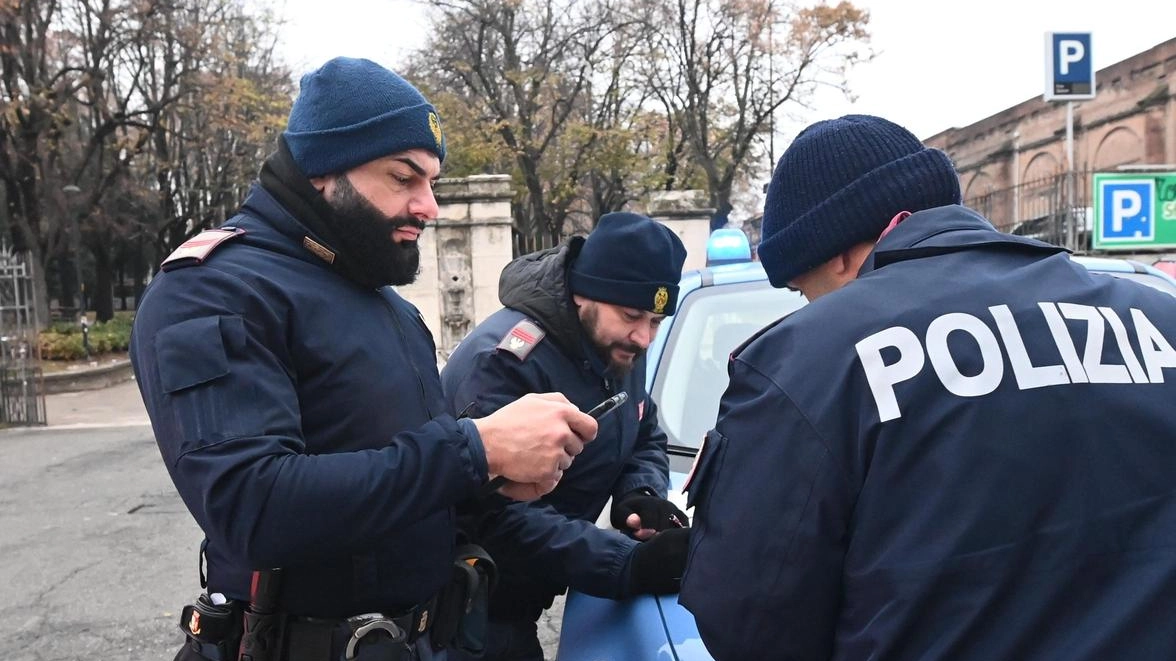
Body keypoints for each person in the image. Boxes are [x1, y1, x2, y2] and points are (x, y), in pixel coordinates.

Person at [130, 56, 597, 661]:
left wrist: (492, 481)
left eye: (430, 181)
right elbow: (253, 507)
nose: (428, 206)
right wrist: (475, 450)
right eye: (403, 178)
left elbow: (395, 478)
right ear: (323, 171)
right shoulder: (213, 289)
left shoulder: (385, 305)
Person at [680, 114, 1176, 660]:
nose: (809, 306)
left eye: (803, 289)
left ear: (838, 254)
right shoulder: (1157, 319)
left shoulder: (808, 360)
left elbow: (750, 621)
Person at [440, 212, 692, 660]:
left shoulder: (617, 348)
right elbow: (490, 514)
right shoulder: (505, 362)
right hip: (465, 615)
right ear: (582, 294)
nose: (644, 337)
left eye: (656, 321)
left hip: (520, 604)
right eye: (632, 315)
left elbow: (643, 429)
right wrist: (625, 564)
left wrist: (641, 491)